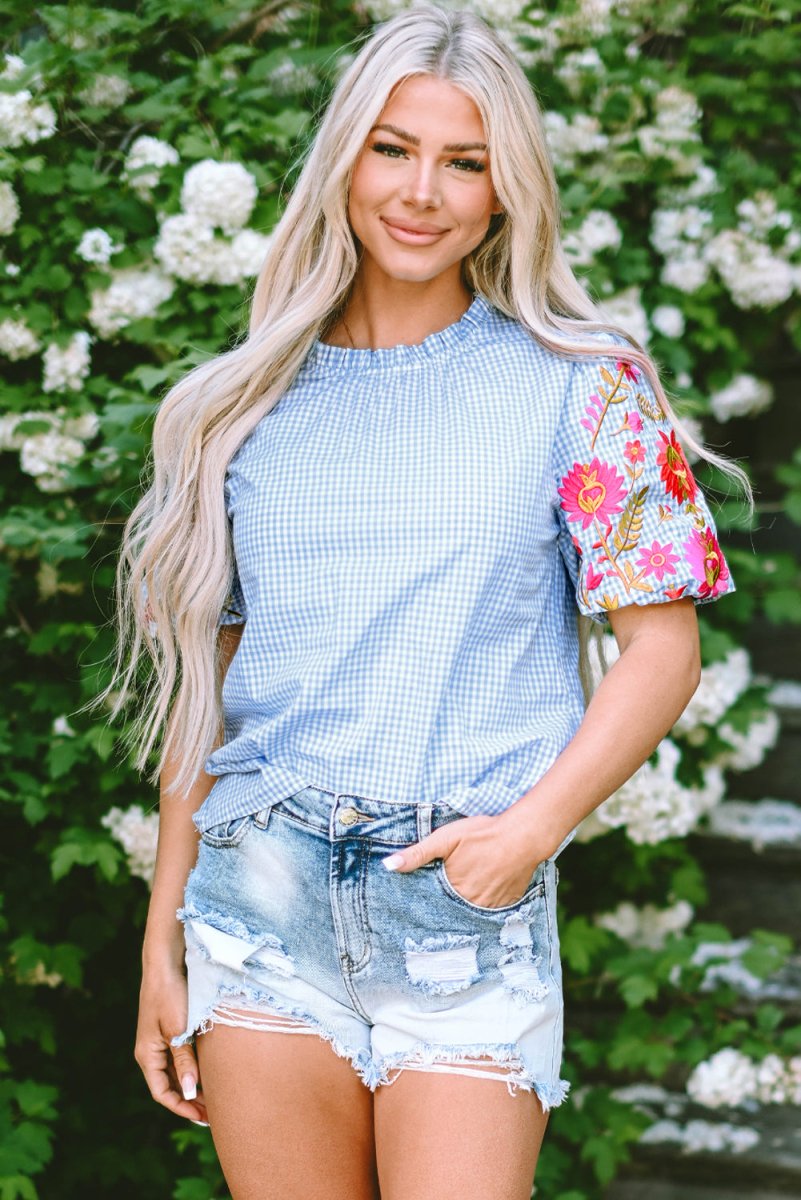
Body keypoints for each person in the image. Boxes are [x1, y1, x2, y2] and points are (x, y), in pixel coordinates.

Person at [98, 6, 742, 1198]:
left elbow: (663, 651)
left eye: (466, 160)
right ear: (345, 157)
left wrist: (527, 835)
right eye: (394, 148)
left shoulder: (581, 385)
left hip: (460, 889)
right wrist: (162, 932)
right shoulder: (240, 406)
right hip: (261, 893)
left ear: (509, 189)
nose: (423, 192)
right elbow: (214, 687)